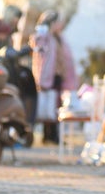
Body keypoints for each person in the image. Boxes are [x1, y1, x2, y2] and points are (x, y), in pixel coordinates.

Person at [29, 10, 78, 143]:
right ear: (53, 23)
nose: (61, 24)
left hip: (59, 75)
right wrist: (43, 32)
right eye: (58, 22)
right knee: (48, 105)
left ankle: (53, 135)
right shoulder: (44, 36)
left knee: (56, 105)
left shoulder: (60, 38)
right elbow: (36, 44)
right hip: (48, 75)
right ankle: (49, 135)